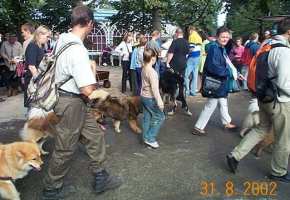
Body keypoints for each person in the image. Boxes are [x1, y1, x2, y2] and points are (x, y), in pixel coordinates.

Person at [41, 5, 122, 199]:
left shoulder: (62, 40)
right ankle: (51, 189)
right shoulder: (77, 49)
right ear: (90, 24)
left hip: (74, 101)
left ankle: (100, 176)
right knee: (65, 147)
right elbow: (87, 89)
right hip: (71, 104)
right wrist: (104, 94)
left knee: (95, 137)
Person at [226, 18, 290, 183]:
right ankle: (278, 171)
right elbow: (284, 82)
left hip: (263, 96)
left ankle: (235, 155)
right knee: (283, 137)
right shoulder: (284, 51)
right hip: (280, 100)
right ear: (289, 32)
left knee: (261, 128)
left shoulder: (266, 45)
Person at [193, 27, 238, 135]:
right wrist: (229, 73)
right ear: (217, 37)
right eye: (223, 37)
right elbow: (214, 67)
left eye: (227, 37)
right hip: (216, 81)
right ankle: (198, 127)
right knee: (211, 104)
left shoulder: (220, 47)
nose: (225, 39)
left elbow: (225, 63)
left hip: (219, 81)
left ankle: (226, 122)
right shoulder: (215, 48)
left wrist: (234, 72)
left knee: (222, 101)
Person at [141, 48, 165, 149]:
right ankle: (150, 139)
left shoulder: (143, 68)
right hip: (150, 98)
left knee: (147, 117)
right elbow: (155, 89)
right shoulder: (152, 72)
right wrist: (160, 102)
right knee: (160, 117)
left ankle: (146, 138)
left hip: (143, 96)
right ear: (153, 58)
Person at [166, 28, 191, 116]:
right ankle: (185, 107)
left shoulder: (175, 42)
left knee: (173, 87)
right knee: (181, 86)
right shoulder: (186, 42)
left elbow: (170, 54)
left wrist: (167, 63)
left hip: (174, 66)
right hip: (183, 66)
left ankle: (174, 107)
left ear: (176, 33)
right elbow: (188, 53)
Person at [24, 25, 50, 108]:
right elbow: (31, 66)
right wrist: (40, 82)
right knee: (33, 109)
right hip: (33, 81)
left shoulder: (40, 46)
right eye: (47, 36)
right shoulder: (33, 46)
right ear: (39, 34)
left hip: (36, 80)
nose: (48, 38)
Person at [184, 26, 202, 96]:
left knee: (186, 75)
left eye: (188, 31)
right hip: (198, 57)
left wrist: (187, 54)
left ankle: (187, 91)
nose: (188, 33)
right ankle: (193, 91)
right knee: (195, 75)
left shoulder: (192, 36)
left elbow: (191, 48)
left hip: (192, 57)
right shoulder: (199, 36)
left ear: (190, 30)